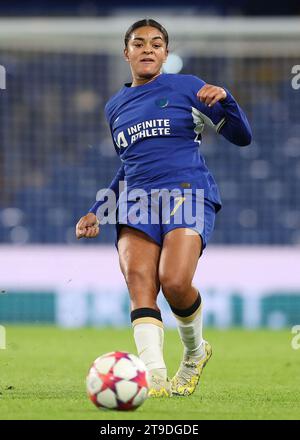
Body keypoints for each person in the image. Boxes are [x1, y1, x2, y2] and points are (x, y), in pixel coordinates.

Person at [76, 18, 252, 398]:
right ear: (127, 53)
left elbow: (242, 138)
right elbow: (130, 164)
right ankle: (153, 377)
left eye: (156, 44)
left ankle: (194, 353)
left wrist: (227, 100)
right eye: (139, 44)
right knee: (140, 285)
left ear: (165, 53)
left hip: (188, 194)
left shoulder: (189, 86)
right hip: (137, 201)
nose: (148, 49)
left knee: (174, 282)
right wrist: (97, 209)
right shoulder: (115, 107)